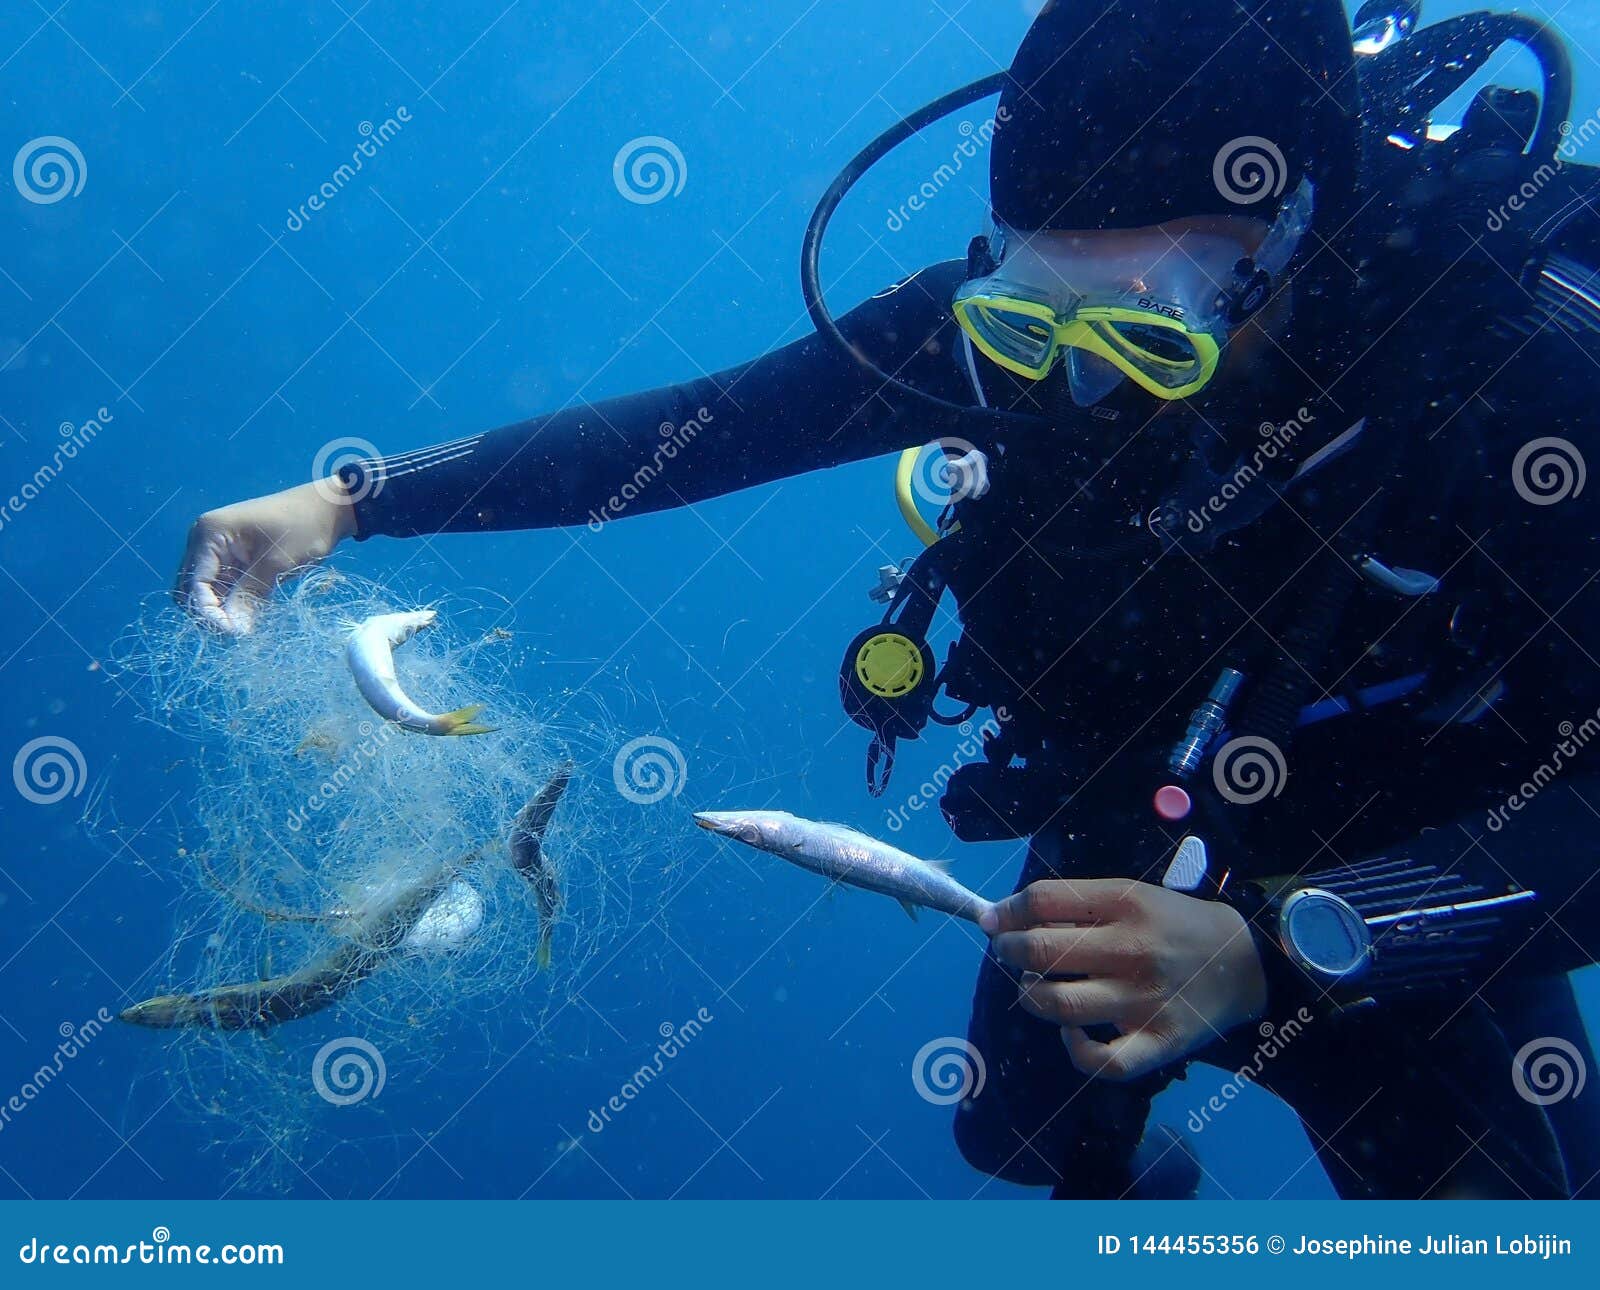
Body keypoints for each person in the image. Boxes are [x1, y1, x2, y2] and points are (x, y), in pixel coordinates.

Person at [178, 0, 1600, 1198]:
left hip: (1427, 870)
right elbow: (703, 430)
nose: (1075, 377)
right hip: (1144, 803)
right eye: (1035, 309)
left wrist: (1288, 950)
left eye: (1145, 329)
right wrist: (355, 498)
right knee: (1016, 1128)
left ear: (1292, 232)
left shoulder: (1533, 371)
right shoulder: (988, 339)